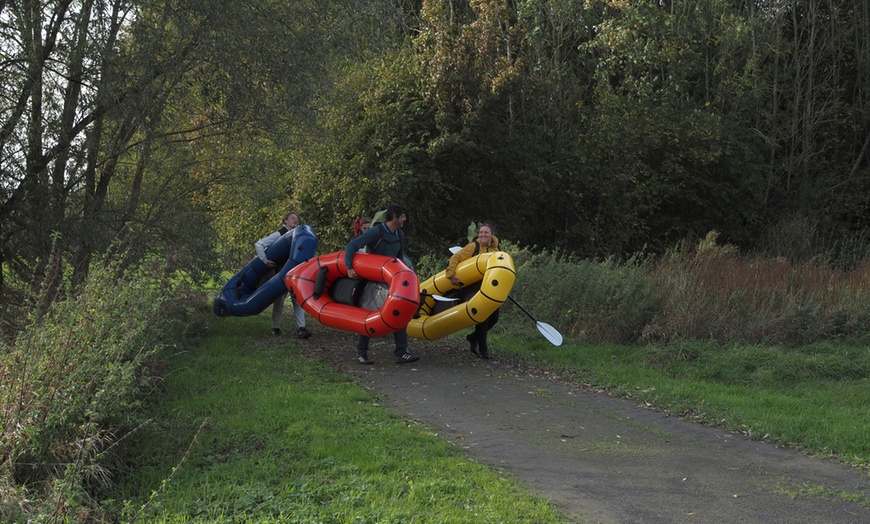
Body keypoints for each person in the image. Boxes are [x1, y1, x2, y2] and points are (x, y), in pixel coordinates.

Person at [345, 204, 419, 365]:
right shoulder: (376, 232)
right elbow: (352, 246)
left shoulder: (399, 234)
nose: (405, 219)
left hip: (391, 282)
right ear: (395, 218)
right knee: (368, 315)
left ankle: (402, 352)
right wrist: (349, 267)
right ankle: (362, 353)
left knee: (400, 313)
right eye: (402, 216)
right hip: (373, 282)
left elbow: (399, 259)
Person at [445, 221, 500, 359]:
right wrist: (451, 275)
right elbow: (455, 257)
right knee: (483, 317)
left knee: (494, 318)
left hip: (489, 287)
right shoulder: (473, 247)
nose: (482, 235)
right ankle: (483, 350)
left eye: (486, 232)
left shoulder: (497, 250)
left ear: (492, 234)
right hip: (474, 288)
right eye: (481, 232)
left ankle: (473, 337)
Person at [255, 211, 312, 339]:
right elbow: (259, 244)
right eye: (292, 218)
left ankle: (301, 328)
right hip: (281, 274)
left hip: (295, 274)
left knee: (297, 301)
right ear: (285, 220)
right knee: (279, 302)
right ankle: (275, 328)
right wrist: (265, 260)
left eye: (296, 218)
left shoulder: (298, 235)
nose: (295, 220)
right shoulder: (279, 234)